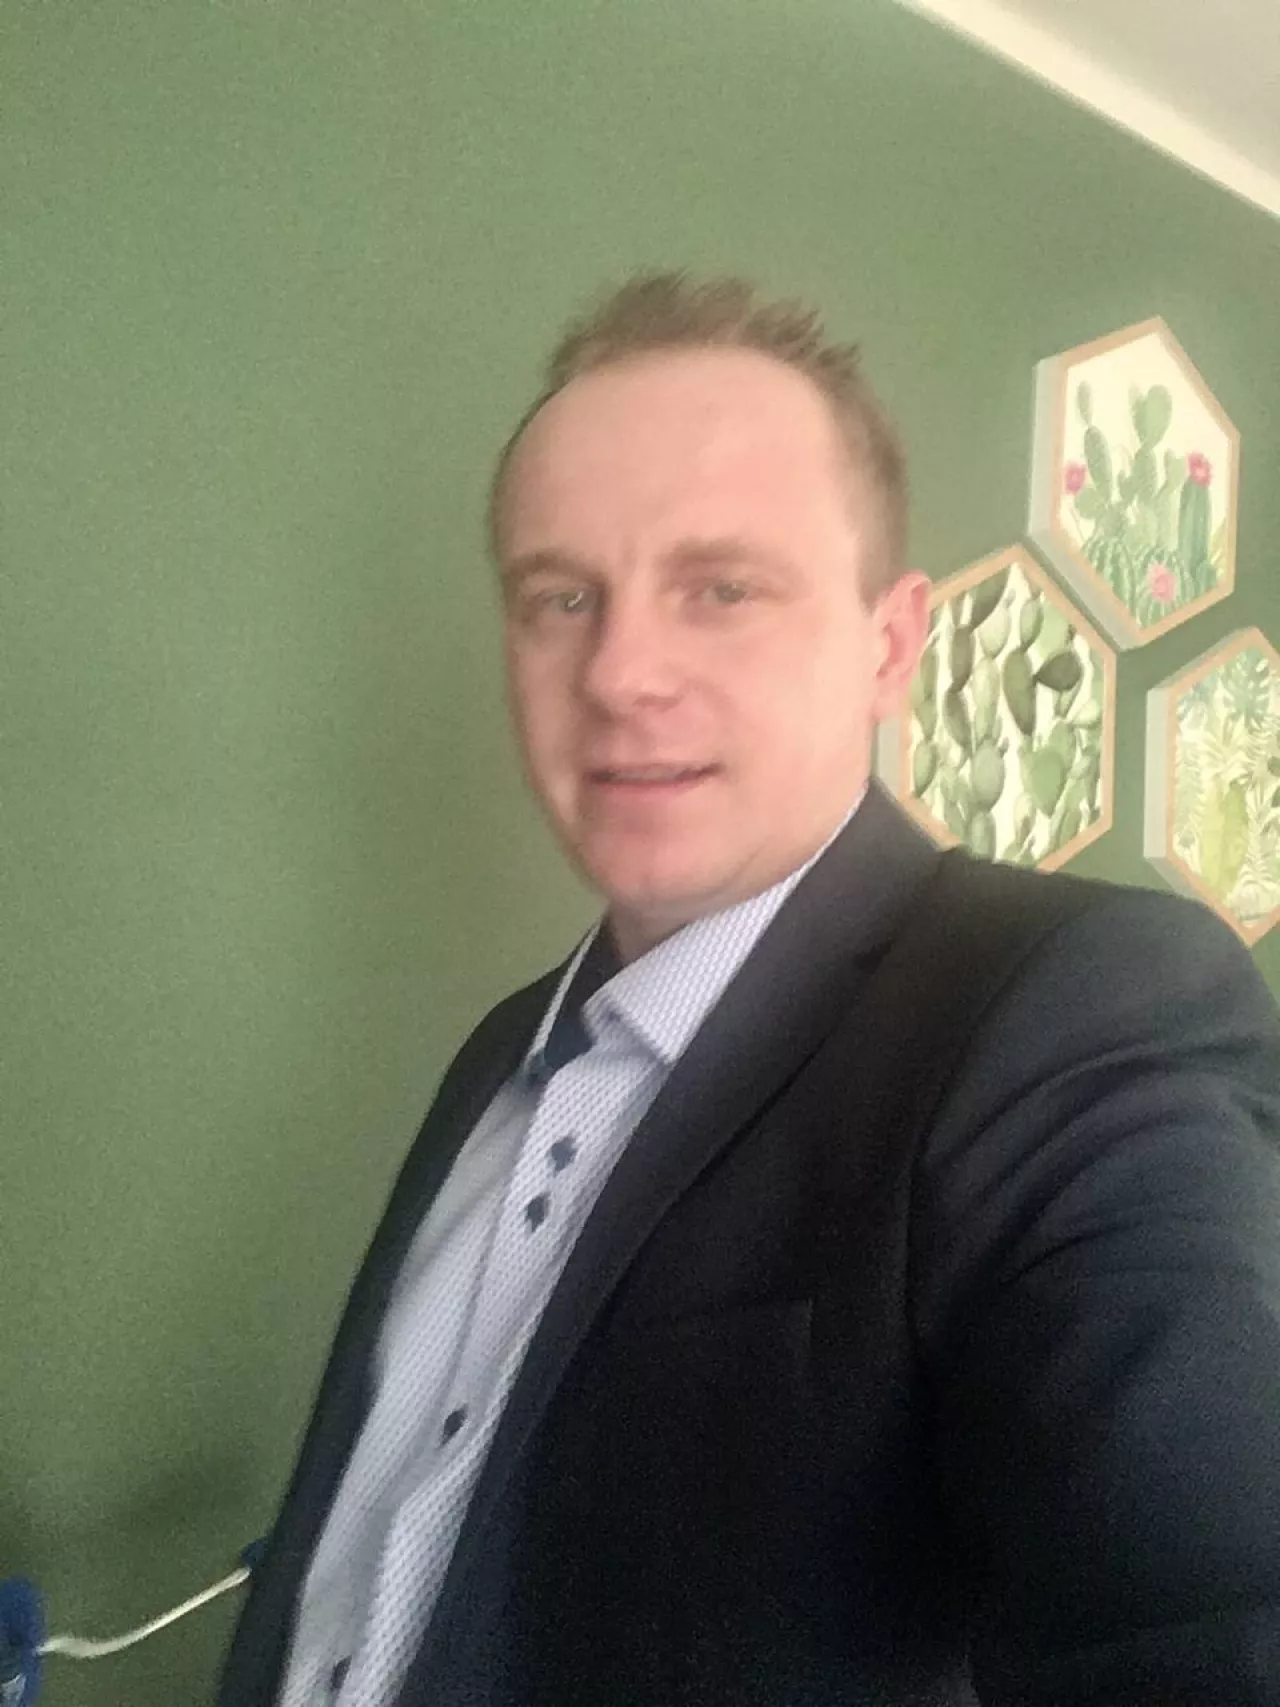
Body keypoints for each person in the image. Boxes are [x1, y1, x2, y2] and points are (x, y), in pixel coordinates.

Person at [220, 274, 1280, 1706]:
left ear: (889, 648)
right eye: (560, 598)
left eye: (721, 588)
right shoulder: (499, 1052)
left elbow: (1202, 1603)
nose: (621, 673)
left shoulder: (1068, 1014)